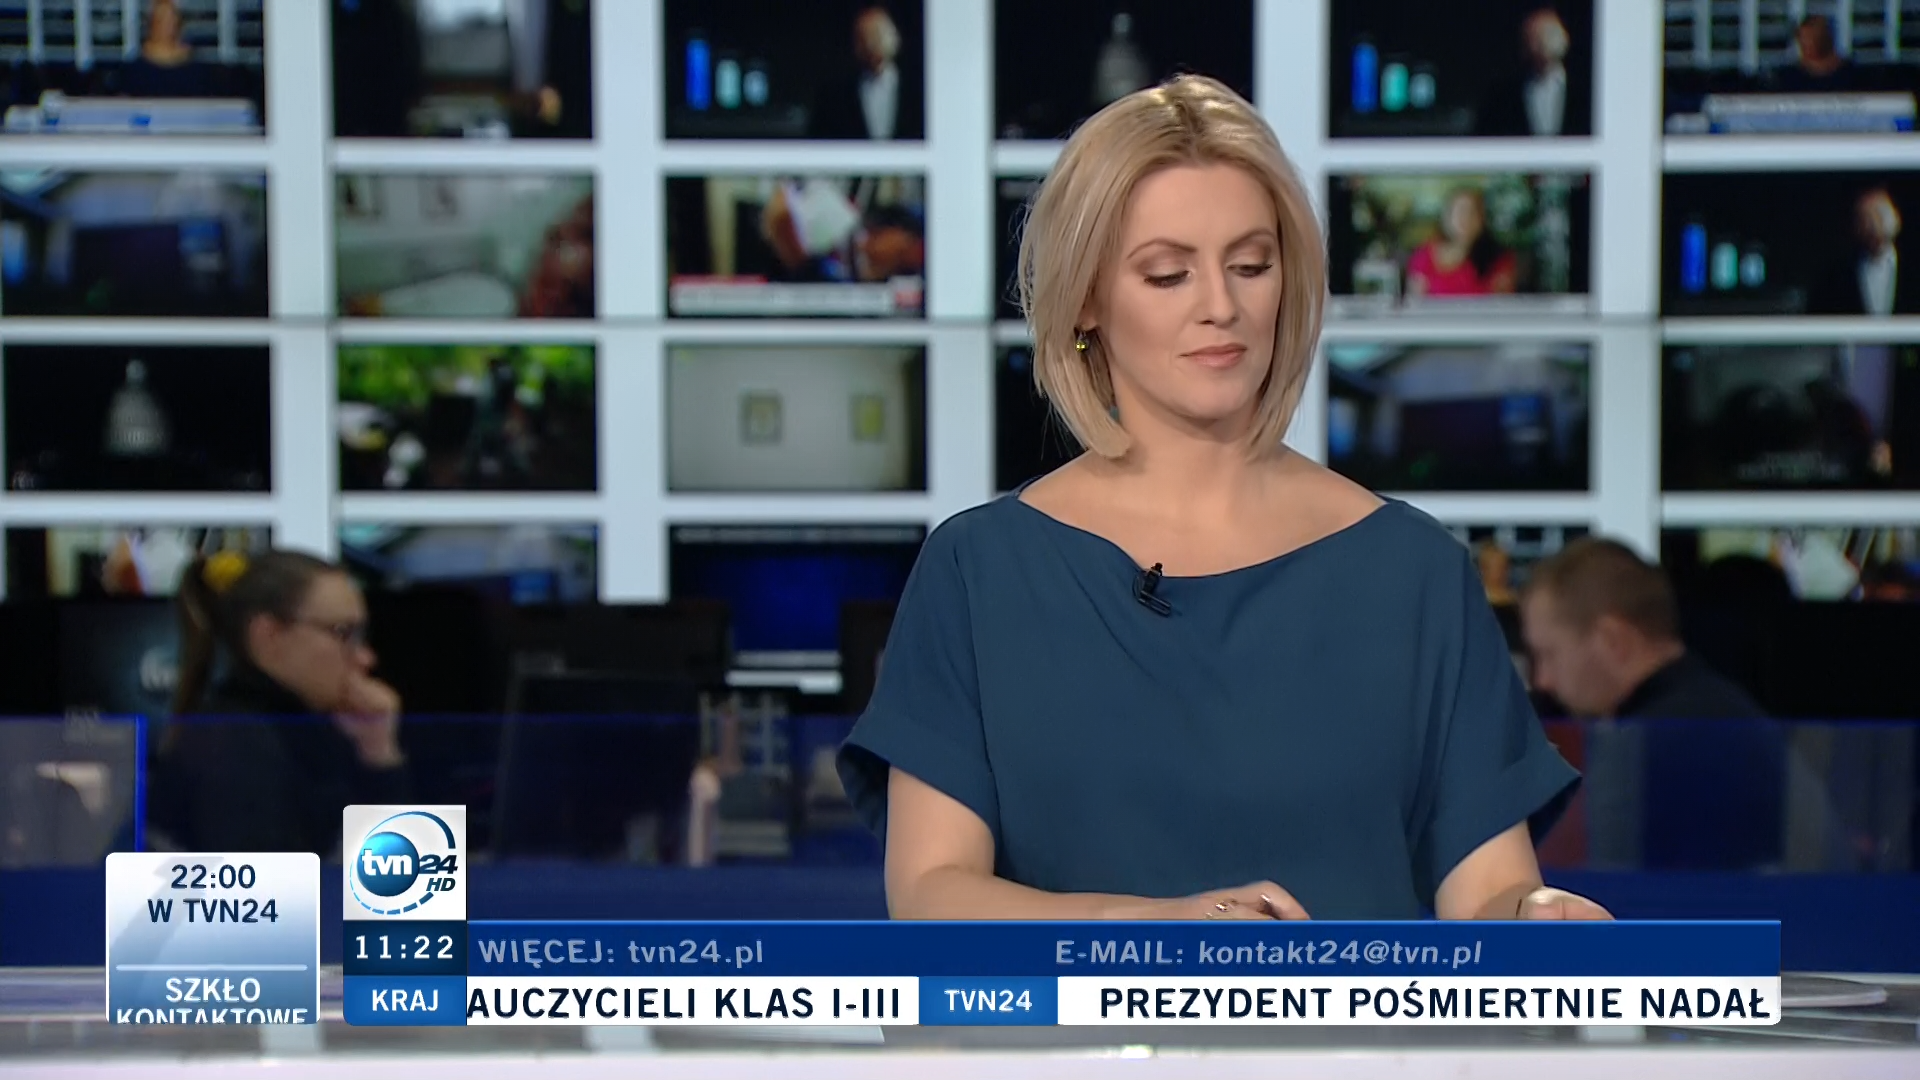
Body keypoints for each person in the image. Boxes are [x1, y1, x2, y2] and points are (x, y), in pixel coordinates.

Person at [837, 74, 1607, 923]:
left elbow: (1489, 890)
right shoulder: (980, 572)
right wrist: (1160, 932)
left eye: (1251, 265)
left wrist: (1539, 916)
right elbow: (932, 893)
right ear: (1086, 298)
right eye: (1168, 274)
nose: (1222, 306)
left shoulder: (1413, 571)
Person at [1520, 538, 1783, 872]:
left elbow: (1588, 885)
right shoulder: (1728, 712)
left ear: (1613, 640)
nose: (1543, 680)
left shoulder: (1644, 750)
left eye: (1549, 654)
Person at [147, 549, 410, 856]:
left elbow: (405, 878)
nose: (365, 658)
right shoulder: (239, 753)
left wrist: (378, 752)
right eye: (343, 633)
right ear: (268, 636)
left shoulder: (311, 734)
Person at [808, 6, 923, 140]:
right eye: (862, 38)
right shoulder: (834, 96)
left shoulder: (919, 88)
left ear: (895, 38)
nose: (870, 44)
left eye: (877, 35)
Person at [1475, 6, 1590, 138]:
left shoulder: (1584, 90)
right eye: (1530, 40)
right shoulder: (1503, 95)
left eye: (1542, 39)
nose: (1535, 47)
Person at [1811, 187, 1917, 317]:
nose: (1874, 225)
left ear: (1897, 219)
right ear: (1856, 226)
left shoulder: (1914, 269)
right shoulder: (1837, 276)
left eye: (1880, 215)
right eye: (1866, 218)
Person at [1406, 188, 1518, 298]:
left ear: (1482, 219)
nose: (1465, 219)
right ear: (1447, 217)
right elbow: (1415, 303)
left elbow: (1503, 303)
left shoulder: (1498, 259)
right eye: (1460, 212)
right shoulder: (1424, 257)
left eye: (1472, 213)